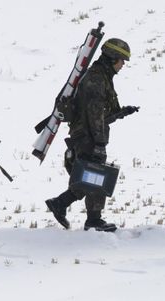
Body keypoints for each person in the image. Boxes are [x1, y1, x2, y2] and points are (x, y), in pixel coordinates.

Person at [45, 38, 133, 232]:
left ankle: (64, 205)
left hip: (88, 134)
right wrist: (99, 142)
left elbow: (101, 112)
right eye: (122, 60)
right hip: (88, 136)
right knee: (95, 175)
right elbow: (94, 113)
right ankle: (90, 218)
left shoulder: (101, 76)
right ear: (112, 58)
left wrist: (121, 112)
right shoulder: (96, 79)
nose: (123, 64)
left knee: (92, 176)